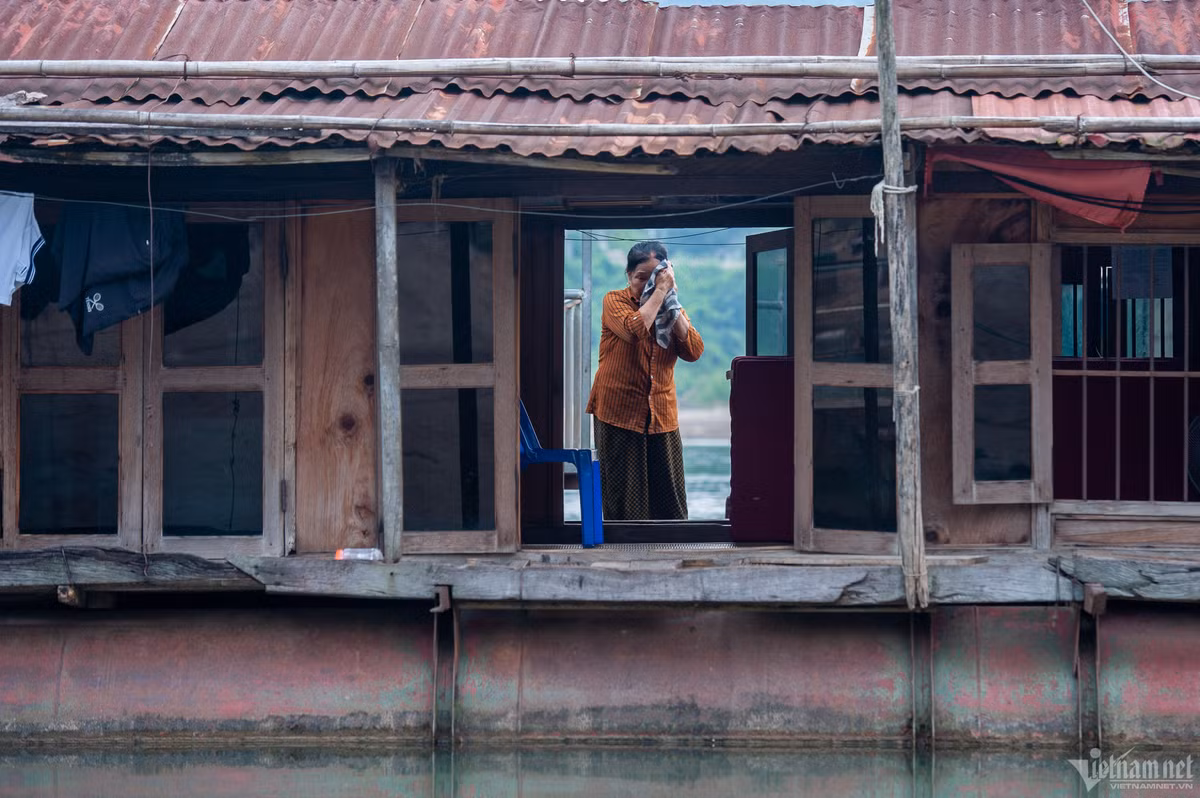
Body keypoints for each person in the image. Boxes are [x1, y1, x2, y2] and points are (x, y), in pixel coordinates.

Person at [585, 241, 704, 520]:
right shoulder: (614, 301)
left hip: (661, 414)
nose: (647, 284)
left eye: (655, 278)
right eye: (641, 278)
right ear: (628, 276)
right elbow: (634, 329)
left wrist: (671, 303)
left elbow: (694, 351)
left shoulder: (672, 310)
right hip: (619, 412)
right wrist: (659, 291)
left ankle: (668, 544)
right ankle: (623, 544)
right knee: (624, 500)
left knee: (669, 500)